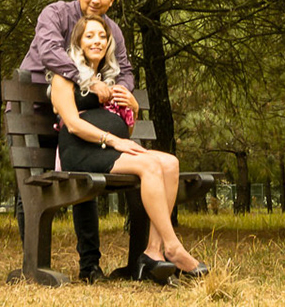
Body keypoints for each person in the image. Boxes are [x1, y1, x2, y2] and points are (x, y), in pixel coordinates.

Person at [50, 17, 207, 283]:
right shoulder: (64, 76)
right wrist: (113, 140)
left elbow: (127, 131)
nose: (96, 40)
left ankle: (153, 251)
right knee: (149, 165)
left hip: (110, 148)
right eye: (89, 36)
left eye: (102, 35)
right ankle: (173, 247)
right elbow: (74, 125)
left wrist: (133, 108)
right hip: (80, 151)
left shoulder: (110, 79)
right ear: (78, 41)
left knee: (169, 163)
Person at [19, 0, 138, 282]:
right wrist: (87, 80)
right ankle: (32, 260)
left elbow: (123, 68)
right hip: (35, 109)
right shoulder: (55, 14)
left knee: (86, 180)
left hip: (83, 113)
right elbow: (50, 52)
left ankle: (90, 267)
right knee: (32, 185)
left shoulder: (111, 29)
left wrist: (122, 93)